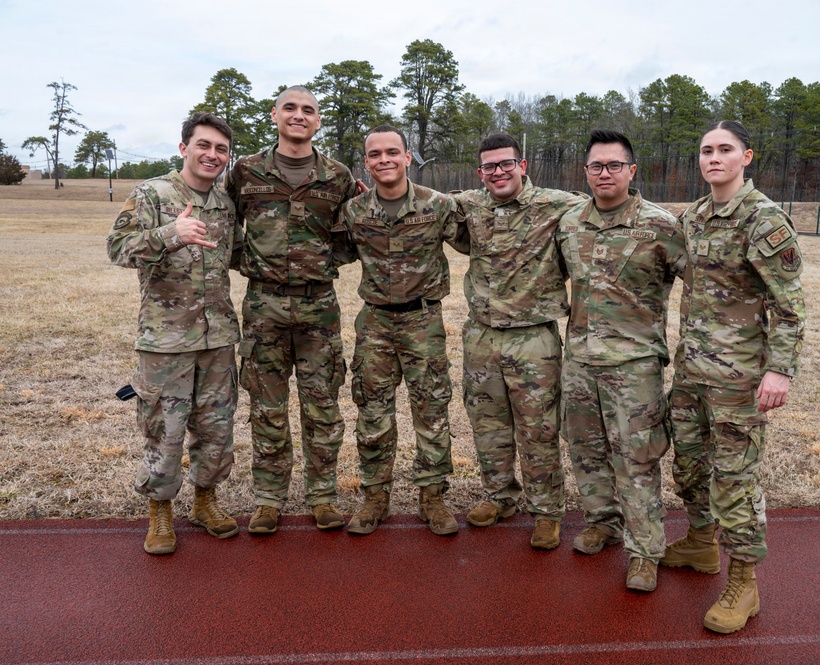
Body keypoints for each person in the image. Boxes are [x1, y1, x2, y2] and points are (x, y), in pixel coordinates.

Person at [664, 120, 806, 633]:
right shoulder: (696, 215)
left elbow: (789, 308)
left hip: (739, 380)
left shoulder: (764, 221)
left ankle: (743, 582)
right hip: (692, 372)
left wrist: (779, 371)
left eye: (725, 149)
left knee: (736, 480)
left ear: (747, 158)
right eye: (706, 150)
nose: (714, 158)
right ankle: (702, 543)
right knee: (689, 465)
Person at [226, 85, 359, 534]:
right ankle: (268, 498)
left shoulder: (337, 176)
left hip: (318, 305)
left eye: (308, 110)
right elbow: (226, 224)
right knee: (267, 406)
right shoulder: (245, 171)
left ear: (318, 120)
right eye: (290, 108)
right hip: (263, 304)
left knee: (323, 405)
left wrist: (318, 264)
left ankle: (322, 496)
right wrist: (249, 260)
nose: (298, 116)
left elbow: (347, 237)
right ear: (274, 115)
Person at [556, 129, 685, 591]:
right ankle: (601, 522)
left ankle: (645, 550)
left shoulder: (661, 225)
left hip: (634, 367)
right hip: (580, 362)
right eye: (596, 166)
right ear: (585, 172)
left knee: (637, 458)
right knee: (586, 450)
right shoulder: (570, 224)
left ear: (632, 171)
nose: (604, 173)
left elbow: (701, 286)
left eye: (614, 165)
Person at [108, 112, 242, 555]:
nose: (212, 155)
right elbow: (118, 248)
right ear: (184, 148)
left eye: (221, 149)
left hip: (218, 337)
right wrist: (171, 233)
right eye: (204, 145)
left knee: (216, 428)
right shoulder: (153, 192)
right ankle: (160, 510)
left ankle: (206, 500)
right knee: (164, 429)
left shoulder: (226, 203)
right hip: (165, 340)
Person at [452, 133, 584, 550]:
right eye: (489, 166)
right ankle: (500, 496)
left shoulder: (558, 204)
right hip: (482, 335)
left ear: (523, 165)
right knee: (487, 424)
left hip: (533, 338)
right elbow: (424, 205)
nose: (498, 172)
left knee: (539, 428)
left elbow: (605, 203)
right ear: (480, 173)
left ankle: (546, 511)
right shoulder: (469, 206)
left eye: (506, 164)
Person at [340, 125, 468, 536]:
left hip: (422, 322)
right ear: (367, 162)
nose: (384, 160)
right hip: (375, 322)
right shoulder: (355, 211)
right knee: (373, 412)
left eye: (392, 152)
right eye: (375, 154)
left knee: (431, 411)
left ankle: (433, 497)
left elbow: (479, 241)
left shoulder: (439, 206)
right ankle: (375, 496)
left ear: (408, 157)